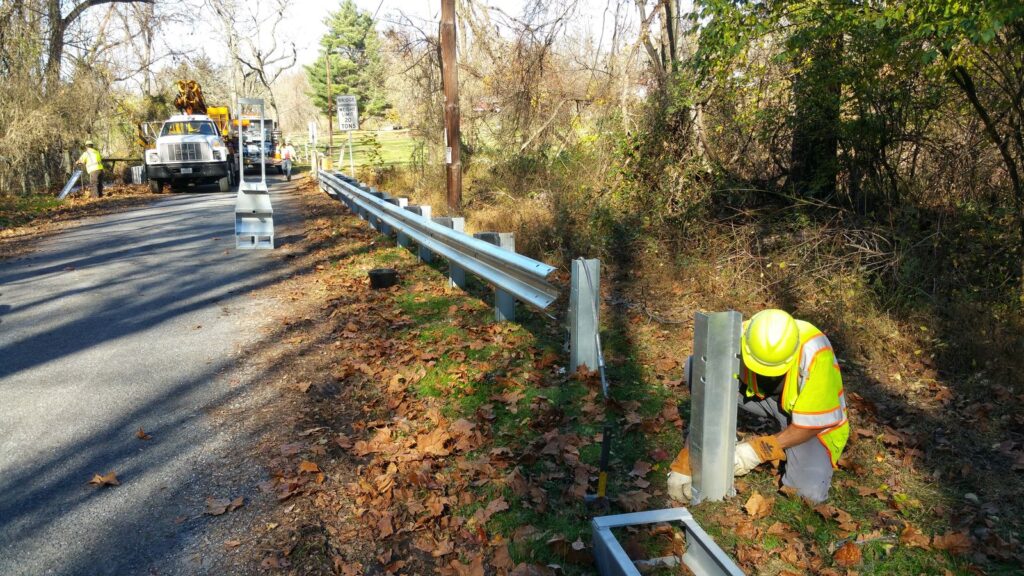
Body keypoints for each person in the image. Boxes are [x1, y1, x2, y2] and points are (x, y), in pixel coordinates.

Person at [667, 309, 849, 504]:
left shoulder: (816, 352)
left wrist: (757, 451)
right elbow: (708, 389)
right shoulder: (737, 334)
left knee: (807, 494)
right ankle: (720, 433)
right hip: (760, 397)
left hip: (806, 419)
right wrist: (689, 455)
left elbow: (812, 424)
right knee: (698, 367)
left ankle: (785, 436)